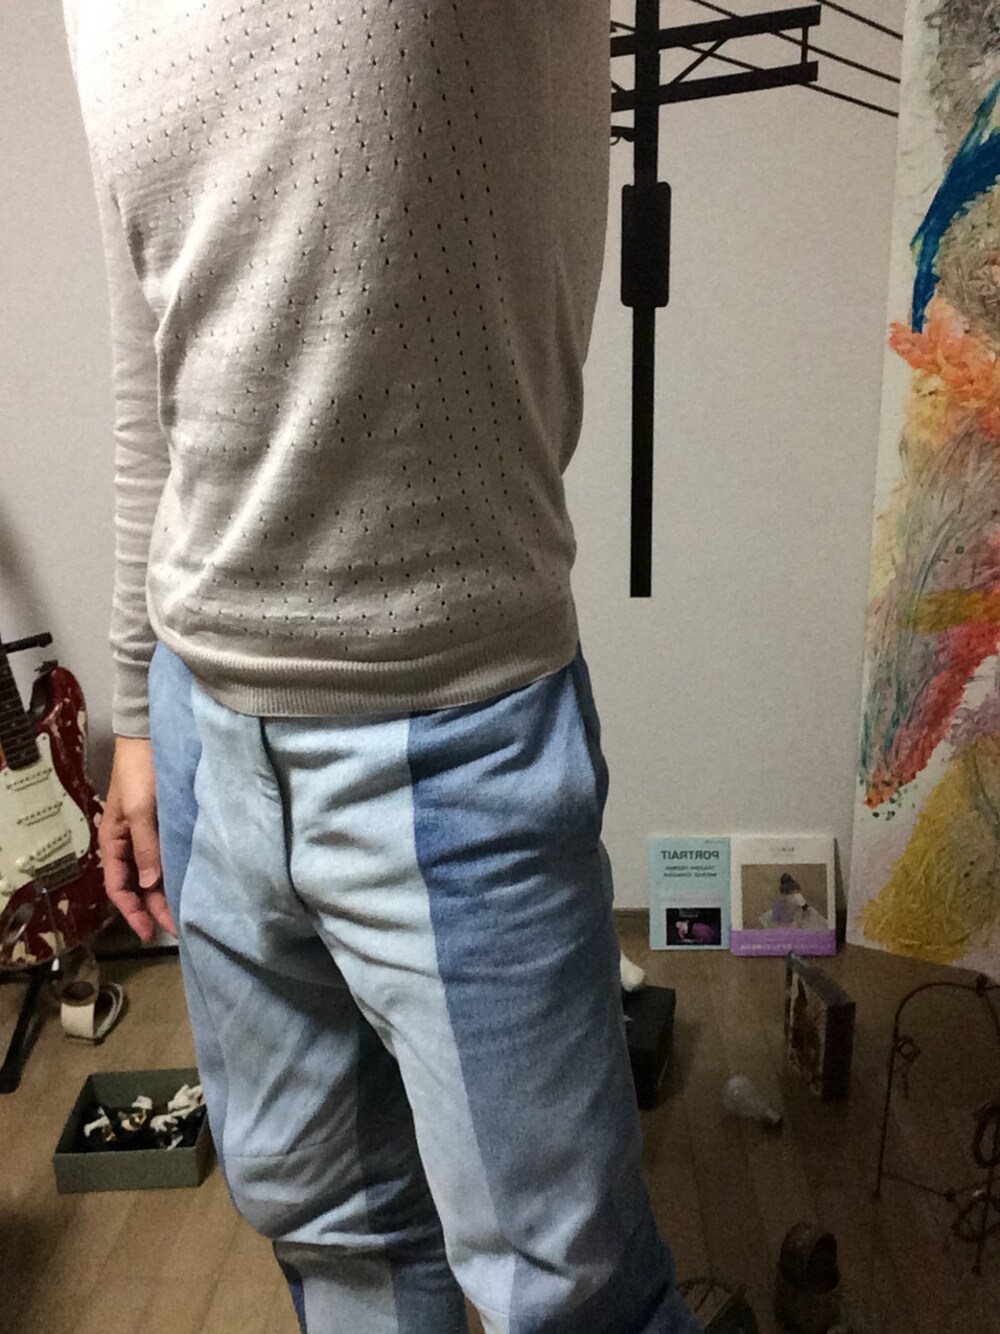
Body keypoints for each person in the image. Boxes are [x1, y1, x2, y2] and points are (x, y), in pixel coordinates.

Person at [63, 4, 702, 1331]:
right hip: (200, 725)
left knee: (571, 1295)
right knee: (330, 1234)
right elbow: (151, 350)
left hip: (453, 726)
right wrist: (132, 711)